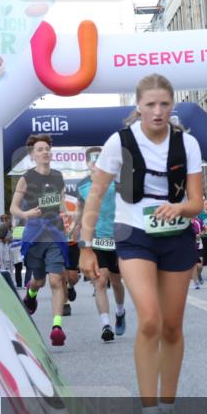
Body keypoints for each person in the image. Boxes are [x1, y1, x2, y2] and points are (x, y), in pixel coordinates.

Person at [78, 73, 204, 414]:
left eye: (164, 104)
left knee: (172, 327)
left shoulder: (188, 143)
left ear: (172, 106)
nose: (157, 111)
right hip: (133, 234)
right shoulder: (119, 142)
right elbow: (97, 194)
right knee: (149, 319)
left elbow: (196, 201)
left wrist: (179, 206)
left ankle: (168, 408)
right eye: (150, 104)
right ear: (138, 107)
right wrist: (86, 246)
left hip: (177, 235)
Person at [10, 134, 70, 346]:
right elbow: (13, 208)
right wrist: (26, 215)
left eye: (47, 149)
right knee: (39, 280)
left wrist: (67, 213)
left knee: (55, 280)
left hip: (55, 234)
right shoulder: (26, 178)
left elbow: (61, 203)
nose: (45, 152)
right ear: (33, 155)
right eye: (40, 150)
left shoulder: (58, 176)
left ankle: (57, 327)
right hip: (35, 236)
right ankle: (31, 293)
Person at [76, 145, 128, 342]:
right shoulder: (82, 186)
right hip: (96, 239)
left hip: (117, 238)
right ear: (88, 163)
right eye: (93, 160)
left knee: (116, 281)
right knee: (100, 280)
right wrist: (77, 229)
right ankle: (106, 324)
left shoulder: (115, 182)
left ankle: (120, 312)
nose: (96, 164)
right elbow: (82, 211)